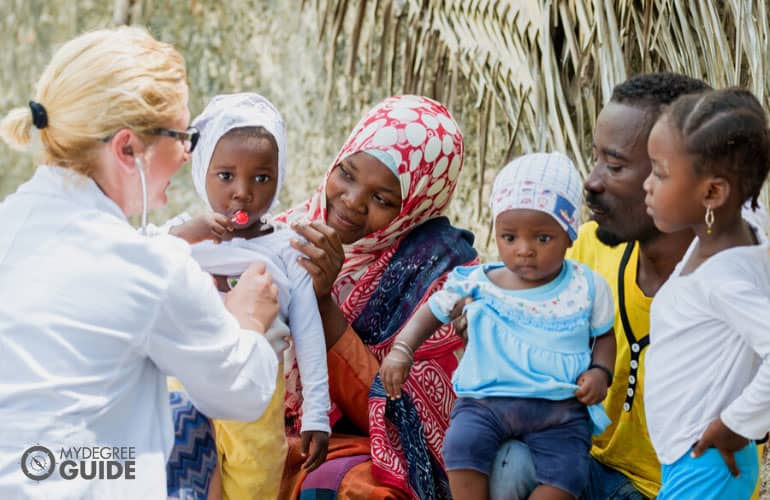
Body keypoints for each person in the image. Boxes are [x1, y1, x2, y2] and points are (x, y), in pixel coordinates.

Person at [0, 28, 281, 498]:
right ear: (128, 148)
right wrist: (247, 322)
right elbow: (241, 393)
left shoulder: (10, 221)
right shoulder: (150, 268)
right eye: (183, 136)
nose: (189, 153)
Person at [488, 72, 713, 499]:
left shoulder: (732, 288)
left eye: (615, 166)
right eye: (596, 160)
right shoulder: (588, 250)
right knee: (509, 461)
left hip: (670, 490)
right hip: (578, 463)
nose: (591, 181)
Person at [380, 152, 617, 500]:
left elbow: (604, 337)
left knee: (568, 473)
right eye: (509, 237)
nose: (524, 250)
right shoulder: (479, 281)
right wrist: (402, 349)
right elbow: (434, 310)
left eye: (542, 238)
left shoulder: (587, 287)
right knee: (462, 447)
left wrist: (600, 372)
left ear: (569, 234)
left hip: (560, 409)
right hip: (486, 402)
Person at [277, 95, 478, 499]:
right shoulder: (285, 236)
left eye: (382, 199)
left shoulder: (442, 277)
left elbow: (402, 423)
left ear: (417, 206)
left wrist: (322, 301)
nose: (351, 201)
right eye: (346, 174)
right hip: (269, 427)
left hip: (352, 448)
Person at [163, 93, 329, 499]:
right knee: (182, 477)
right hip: (181, 387)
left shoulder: (288, 249)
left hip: (255, 399)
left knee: (252, 483)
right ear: (201, 171)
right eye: (225, 176)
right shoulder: (181, 235)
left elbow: (308, 332)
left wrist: (317, 415)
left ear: (279, 175)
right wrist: (187, 235)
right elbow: (137, 259)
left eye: (261, 178)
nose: (242, 192)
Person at [643, 87, 770, 499]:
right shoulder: (733, 227)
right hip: (691, 459)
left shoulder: (724, 279)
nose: (647, 185)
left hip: (710, 463)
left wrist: (736, 423)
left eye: (659, 174)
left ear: (713, 193)